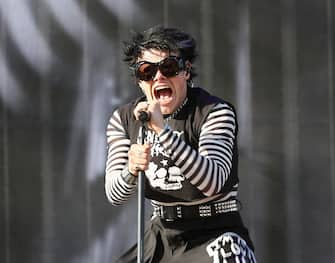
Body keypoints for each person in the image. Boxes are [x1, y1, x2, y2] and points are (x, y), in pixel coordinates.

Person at [105, 25, 257, 263]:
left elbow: (213, 182)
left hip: (213, 232)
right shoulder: (124, 119)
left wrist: (163, 132)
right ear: (139, 81)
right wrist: (131, 170)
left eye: (168, 67)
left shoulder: (215, 112)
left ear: (186, 71)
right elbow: (114, 194)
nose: (159, 77)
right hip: (160, 235)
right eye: (147, 71)